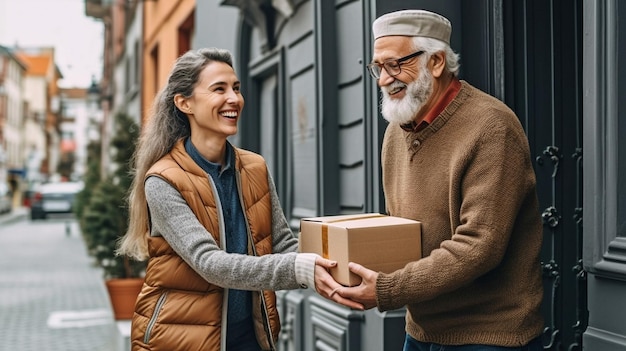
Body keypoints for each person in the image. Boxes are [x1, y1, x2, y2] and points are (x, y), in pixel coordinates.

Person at [117, 47, 359, 351]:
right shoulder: (164, 179)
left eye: (236, 88)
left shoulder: (254, 167)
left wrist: (344, 260)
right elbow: (209, 263)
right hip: (180, 338)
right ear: (184, 103)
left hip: (251, 336)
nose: (234, 99)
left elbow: (283, 244)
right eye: (219, 89)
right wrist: (299, 269)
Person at [334, 9, 545, 351]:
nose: (384, 79)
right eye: (378, 68)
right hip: (420, 331)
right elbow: (401, 229)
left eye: (394, 65)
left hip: (489, 335)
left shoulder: (491, 127)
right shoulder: (395, 133)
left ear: (435, 62)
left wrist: (388, 289)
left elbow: (479, 245)